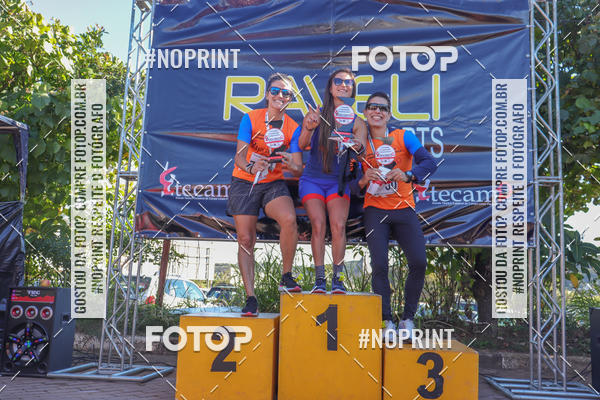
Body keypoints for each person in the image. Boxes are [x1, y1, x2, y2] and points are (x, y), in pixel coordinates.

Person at [358, 92, 437, 338]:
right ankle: (387, 322)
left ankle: (407, 320)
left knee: (419, 262)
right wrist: (363, 179)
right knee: (379, 265)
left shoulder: (404, 136)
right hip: (375, 210)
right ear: (366, 112)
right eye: (372, 107)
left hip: (404, 208)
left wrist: (408, 175)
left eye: (382, 108)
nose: (377, 111)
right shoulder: (360, 143)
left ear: (389, 114)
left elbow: (429, 162)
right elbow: (348, 184)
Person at [227, 73, 304, 317]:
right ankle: (251, 298)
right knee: (245, 239)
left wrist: (291, 163)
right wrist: (251, 167)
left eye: (286, 93)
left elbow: (298, 167)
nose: (280, 96)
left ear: (291, 99)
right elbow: (239, 157)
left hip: (273, 183)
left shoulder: (293, 127)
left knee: (289, 219)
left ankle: (286, 276)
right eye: (275, 91)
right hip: (244, 181)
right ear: (267, 94)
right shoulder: (250, 118)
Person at [298, 68, 367, 294]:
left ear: (353, 90)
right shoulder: (317, 114)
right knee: (318, 224)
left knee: (338, 226)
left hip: (338, 182)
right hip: (313, 180)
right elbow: (301, 144)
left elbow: (362, 153)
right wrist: (308, 127)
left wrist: (356, 145)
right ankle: (319, 280)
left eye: (348, 83)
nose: (343, 85)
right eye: (338, 81)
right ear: (330, 87)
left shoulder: (357, 121)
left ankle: (338, 280)